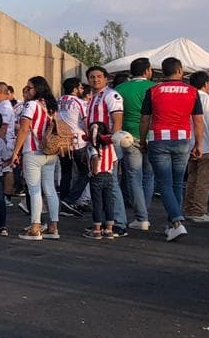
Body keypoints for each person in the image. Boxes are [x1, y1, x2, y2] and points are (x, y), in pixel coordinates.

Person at [140, 56, 204, 243]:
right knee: (177, 183)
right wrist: (198, 144)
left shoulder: (153, 90)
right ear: (180, 70)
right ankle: (172, 225)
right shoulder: (192, 91)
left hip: (158, 139)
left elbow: (145, 119)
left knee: (165, 184)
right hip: (183, 140)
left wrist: (142, 141)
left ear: (162, 71)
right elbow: (198, 120)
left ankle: (176, 221)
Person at [10, 76, 61, 242]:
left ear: (37, 89)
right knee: (50, 189)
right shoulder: (51, 106)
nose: (27, 89)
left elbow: (24, 130)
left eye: (29, 87)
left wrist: (15, 152)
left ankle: (35, 227)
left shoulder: (31, 105)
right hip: (51, 151)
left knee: (34, 190)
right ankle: (53, 226)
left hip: (33, 150)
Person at [85, 65, 127, 236]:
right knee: (103, 186)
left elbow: (117, 121)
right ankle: (104, 224)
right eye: (92, 77)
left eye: (99, 76)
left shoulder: (111, 95)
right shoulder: (94, 97)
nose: (96, 80)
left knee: (112, 185)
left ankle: (118, 223)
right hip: (96, 144)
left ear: (106, 78)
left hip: (106, 145)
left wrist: (110, 140)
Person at [115, 57, 155, 230]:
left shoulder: (120, 88)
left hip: (128, 136)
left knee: (133, 176)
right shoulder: (155, 88)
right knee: (149, 175)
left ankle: (141, 217)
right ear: (147, 71)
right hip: (152, 135)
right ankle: (143, 212)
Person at [182, 70, 209, 224]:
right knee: (204, 182)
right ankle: (199, 211)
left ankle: (189, 209)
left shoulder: (188, 97)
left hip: (189, 144)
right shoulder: (208, 100)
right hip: (206, 146)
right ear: (206, 83)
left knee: (192, 179)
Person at [57, 77, 90, 217]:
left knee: (66, 173)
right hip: (78, 141)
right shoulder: (79, 102)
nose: (82, 90)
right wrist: (91, 137)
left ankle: (63, 200)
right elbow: (86, 121)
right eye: (81, 87)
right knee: (85, 172)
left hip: (62, 142)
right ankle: (70, 200)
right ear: (75, 89)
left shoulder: (58, 100)